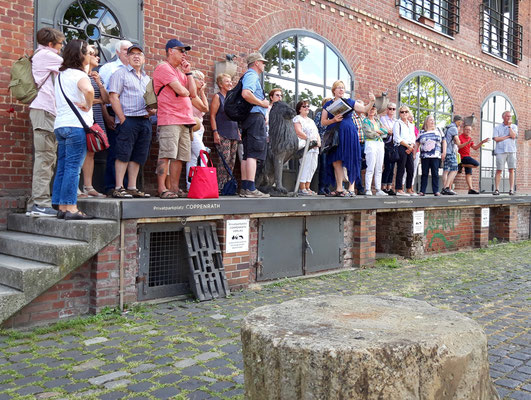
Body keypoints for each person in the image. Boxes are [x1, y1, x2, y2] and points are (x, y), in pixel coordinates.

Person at [52, 39, 94, 220]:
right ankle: (71, 207)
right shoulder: (79, 75)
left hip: (60, 125)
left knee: (62, 166)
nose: (90, 55)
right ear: (80, 55)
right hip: (75, 127)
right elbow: (89, 91)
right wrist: (88, 104)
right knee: (73, 168)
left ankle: (61, 206)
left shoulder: (61, 75)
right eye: (88, 52)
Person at [27, 27, 64, 217]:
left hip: (45, 111)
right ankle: (40, 204)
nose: (61, 48)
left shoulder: (41, 55)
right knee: (45, 159)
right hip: (44, 111)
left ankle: (35, 203)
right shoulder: (47, 55)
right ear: (51, 44)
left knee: (46, 158)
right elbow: (73, 66)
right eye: (59, 44)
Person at [153, 39, 197, 198]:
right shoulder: (163, 67)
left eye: (185, 51)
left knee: (180, 157)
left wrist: (189, 73)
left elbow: (193, 93)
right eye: (181, 50)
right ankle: (161, 188)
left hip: (185, 120)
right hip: (170, 118)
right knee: (166, 154)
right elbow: (183, 92)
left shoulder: (180, 72)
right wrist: (186, 88)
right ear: (170, 51)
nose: (184, 54)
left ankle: (174, 188)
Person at [108, 44, 152, 198]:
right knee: (123, 153)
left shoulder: (147, 79)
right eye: (132, 53)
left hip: (145, 121)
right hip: (128, 120)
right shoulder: (120, 74)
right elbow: (113, 97)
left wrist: (153, 110)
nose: (136, 56)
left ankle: (132, 187)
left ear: (144, 58)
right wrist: (122, 119)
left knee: (138, 155)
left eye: (139, 54)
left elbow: (151, 100)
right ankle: (119, 187)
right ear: (126, 57)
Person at [321, 81, 375, 197]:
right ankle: (339, 188)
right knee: (336, 161)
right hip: (334, 134)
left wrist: (372, 102)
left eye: (343, 88)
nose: (341, 90)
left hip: (349, 133)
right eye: (339, 88)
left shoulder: (350, 102)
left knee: (351, 158)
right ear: (334, 90)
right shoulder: (328, 104)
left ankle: (351, 188)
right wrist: (333, 120)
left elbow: (365, 109)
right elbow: (323, 122)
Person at [99, 40, 133, 195]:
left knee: (129, 152)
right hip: (113, 113)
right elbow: (102, 94)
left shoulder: (136, 71)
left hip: (131, 115)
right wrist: (106, 115)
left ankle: (126, 186)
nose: (129, 53)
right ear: (118, 52)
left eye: (131, 50)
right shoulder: (109, 68)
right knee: (116, 151)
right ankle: (112, 187)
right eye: (126, 50)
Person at [240, 52, 271, 198]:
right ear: (256, 63)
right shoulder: (252, 75)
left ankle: (246, 187)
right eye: (262, 62)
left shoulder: (248, 75)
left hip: (248, 118)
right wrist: (262, 103)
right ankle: (251, 188)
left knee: (247, 154)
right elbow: (246, 93)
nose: (264, 65)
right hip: (254, 117)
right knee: (253, 153)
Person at [80, 45, 109, 198]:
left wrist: (99, 83)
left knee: (91, 153)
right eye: (94, 55)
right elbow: (82, 99)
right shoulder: (78, 74)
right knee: (79, 151)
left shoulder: (96, 76)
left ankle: (88, 186)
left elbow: (106, 100)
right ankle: (77, 188)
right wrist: (94, 100)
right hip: (82, 118)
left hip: (96, 118)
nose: (98, 58)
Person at [210, 73, 240, 193]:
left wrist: (238, 131)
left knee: (232, 161)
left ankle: (228, 187)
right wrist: (215, 132)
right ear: (221, 84)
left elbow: (235, 117)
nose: (230, 83)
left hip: (234, 133)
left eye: (230, 81)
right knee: (224, 160)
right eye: (227, 81)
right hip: (222, 132)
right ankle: (220, 187)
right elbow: (212, 116)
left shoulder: (232, 98)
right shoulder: (217, 97)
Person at [185, 70, 209, 190]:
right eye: (199, 78)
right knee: (203, 154)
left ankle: (191, 186)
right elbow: (205, 108)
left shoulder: (197, 95)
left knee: (193, 158)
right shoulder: (191, 94)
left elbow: (204, 110)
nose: (202, 81)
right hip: (192, 129)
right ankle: (204, 184)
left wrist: (202, 92)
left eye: (203, 79)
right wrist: (202, 91)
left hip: (199, 129)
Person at [293, 100, 320, 195]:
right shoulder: (297, 118)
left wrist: (318, 142)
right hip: (306, 145)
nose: (307, 108)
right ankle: (302, 187)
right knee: (305, 165)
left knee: (313, 166)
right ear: (299, 109)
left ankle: (308, 186)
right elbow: (298, 132)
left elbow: (316, 132)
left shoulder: (311, 120)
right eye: (304, 106)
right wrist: (309, 140)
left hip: (314, 146)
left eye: (308, 106)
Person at [415, 115, 446, 196]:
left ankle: (436, 191)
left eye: (433, 120)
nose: (433, 122)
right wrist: (414, 154)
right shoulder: (422, 132)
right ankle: (422, 191)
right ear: (426, 122)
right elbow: (417, 143)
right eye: (430, 120)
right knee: (424, 173)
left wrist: (444, 152)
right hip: (425, 156)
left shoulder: (438, 130)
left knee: (435, 173)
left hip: (436, 156)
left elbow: (444, 141)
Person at [362, 104, 388, 196]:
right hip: (370, 143)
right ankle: (368, 189)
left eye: (373, 109)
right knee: (370, 166)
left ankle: (378, 189)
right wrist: (379, 132)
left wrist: (378, 132)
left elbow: (386, 131)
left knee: (379, 167)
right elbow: (369, 134)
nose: (372, 110)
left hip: (380, 143)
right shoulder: (365, 121)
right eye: (370, 109)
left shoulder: (377, 120)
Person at [458, 125, 489, 194]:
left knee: (468, 173)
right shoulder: (460, 137)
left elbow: (475, 148)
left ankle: (470, 189)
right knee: (477, 164)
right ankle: (461, 164)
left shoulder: (469, 138)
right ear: (463, 130)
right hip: (462, 157)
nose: (468, 131)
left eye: (469, 130)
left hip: (467, 157)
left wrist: (482, 142)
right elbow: (459, 146)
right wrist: (467, 143)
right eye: (466, 129)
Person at [393, 105, 417, 196]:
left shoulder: (411, 125)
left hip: (409, 148)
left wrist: (411, 146)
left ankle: (409, 188)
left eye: (406, 112)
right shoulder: (397, 123)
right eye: (402, 112)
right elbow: (397, 138)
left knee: (411, 169)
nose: (404, 114)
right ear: (399, 113)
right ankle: (399, 189)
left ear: (408, 113)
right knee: (401, 168)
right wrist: (408, 146)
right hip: (401, 147)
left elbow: (413, 137)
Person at [493, 110, 518, 195]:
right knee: (499, 170)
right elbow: (496, 139)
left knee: (511, 170)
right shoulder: (497, 127)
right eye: (507, 116)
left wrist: (509, 127)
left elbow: (514, 136)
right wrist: (507, 136)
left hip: (511, 150)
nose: (509, 118)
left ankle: (511, 189)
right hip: (500, 151)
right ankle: (497, 189)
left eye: (510, 116)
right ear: (503, 117)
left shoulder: (514, 126)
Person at [313, 97, 332, 195]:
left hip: (332, 144)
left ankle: (327, 187)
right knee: (323, 166)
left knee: (330, 166)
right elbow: (316, 127)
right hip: (323, 143)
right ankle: (321, 187)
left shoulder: (333, 116)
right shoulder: (320, 115)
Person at [441, 115, 463, 195]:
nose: (460, 124)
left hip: (445, 151)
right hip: (450, 151)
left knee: (446, 170)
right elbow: (457, 142)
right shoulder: (454, 128)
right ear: (458, 121)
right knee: (454, 169)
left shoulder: (447, 128)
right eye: (460, 122)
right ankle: (446, 188)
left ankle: (445, 188)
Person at [380, 102, 397, 195]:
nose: (391, 111)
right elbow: (387, 131)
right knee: (387, 167)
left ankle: (389, 187)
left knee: (392, 168)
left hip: (394, 146)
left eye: (393, 109)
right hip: (386, 145)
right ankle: (383, 187)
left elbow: (395, 132)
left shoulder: (396, 121)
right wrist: (392, 131)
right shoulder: (383, 119)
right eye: (390, 109)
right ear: (387, 110)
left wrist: (393, 132)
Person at [405, 112, 420, 194]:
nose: (411, 118)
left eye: (412, 117)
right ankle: (403, 186)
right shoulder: (405, 126)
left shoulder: (415, 128)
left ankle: (411, 187)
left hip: (416, 151)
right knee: (405, 171)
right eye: (409, 117)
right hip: (408, 150)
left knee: (413, 171)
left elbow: (418, 141)